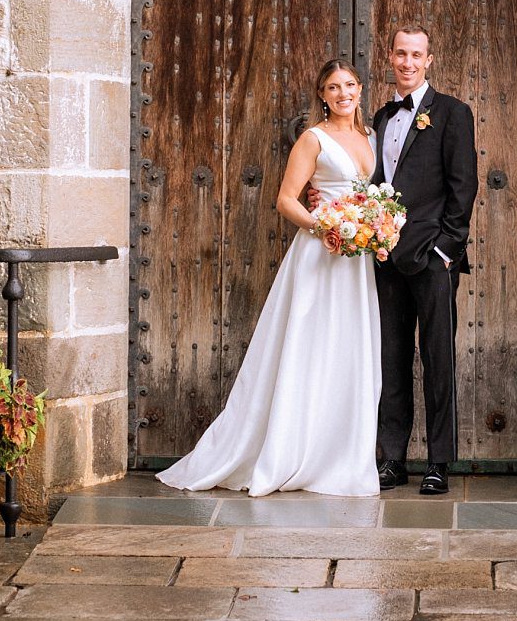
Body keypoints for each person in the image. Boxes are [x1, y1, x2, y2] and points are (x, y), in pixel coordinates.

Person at [156, 59, 381, 497]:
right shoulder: (312, 139)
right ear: (322, 94)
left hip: (358, 260)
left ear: (360, 88)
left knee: (350, 350)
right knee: (309, 348)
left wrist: (370, 226)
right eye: (333, 87)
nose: (343, 94)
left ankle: (341, 453)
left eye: (349, 85)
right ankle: (290, 450)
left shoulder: (370, 137)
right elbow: (285, 199)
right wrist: (326, 228)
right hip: (322, 254)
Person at [371, 25, 479, 496]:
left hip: (433, 260)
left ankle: (439, 462)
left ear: (429, 60)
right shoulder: (380, 116)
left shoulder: (453, 113)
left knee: (437, 359)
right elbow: (373, 180)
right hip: (385, 258)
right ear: (390, 57)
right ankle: (392, 459)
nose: (408, 63)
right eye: (400, 54)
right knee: (391, 358)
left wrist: (446, 250)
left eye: (416, 55)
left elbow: (464, 186)